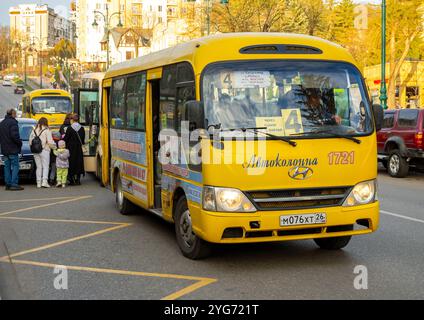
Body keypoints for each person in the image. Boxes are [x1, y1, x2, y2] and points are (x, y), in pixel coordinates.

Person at [0, 109, 24, 191]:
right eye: (15, 114)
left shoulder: (2, 123)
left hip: (4, 149)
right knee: (15, 166)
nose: (16, 115)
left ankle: (8, 183)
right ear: (12, 114)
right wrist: (20, 143)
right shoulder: (13, 123)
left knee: (6, 167)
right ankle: (14, 184)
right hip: (13, 149)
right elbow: (14, 136)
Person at [29, 117, 56, 188]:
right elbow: (50, 142)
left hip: (35, 151)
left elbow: (30, 141)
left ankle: (38, 182)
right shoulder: (47, 130)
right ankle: (44, 182)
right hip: (45, 150)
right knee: (45, 166)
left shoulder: (34, 130)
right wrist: (54, 147)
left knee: (38, 167)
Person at [64, 114, 85, 185]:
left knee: (72, 162)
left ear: (72, 120)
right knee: (78, 163)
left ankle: (72, 180)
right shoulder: (81, 128)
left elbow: (66, 139)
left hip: (71, 148)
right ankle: (78, 180)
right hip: (78, 148)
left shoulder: (69, 128)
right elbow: (82, 140)